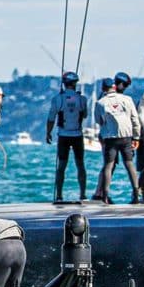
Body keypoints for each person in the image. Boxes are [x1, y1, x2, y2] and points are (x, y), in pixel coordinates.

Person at [94, 73, 141, 205]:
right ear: (115, 86)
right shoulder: (127, 99)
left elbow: (99, 120)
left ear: (104, 88)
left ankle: (105, 195)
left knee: (108, 165)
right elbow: (135, 119)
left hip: (110, 137)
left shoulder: (100, 102)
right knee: (129, 164)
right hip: (126, 136)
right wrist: (136, 137)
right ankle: (137, 194)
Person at [46, 71, 88, 203]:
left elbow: (51, 118)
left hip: (63, 136)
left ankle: (59, 195)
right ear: (76, 84)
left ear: (64, 84)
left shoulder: (58, 99)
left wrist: (48, 132)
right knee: (80, 165)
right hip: (77, 136)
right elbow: (85, 115)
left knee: (61, 166)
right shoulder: (82, 99)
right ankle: (82, 194)